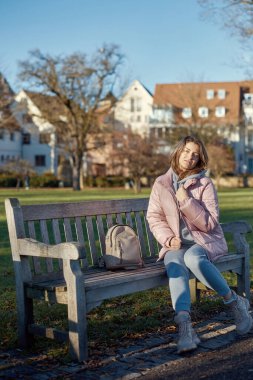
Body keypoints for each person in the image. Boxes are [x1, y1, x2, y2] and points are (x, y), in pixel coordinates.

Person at [147, 135, 252, 354]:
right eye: (186, 151)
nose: (189, 157)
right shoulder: (161, 183)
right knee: (175, 265)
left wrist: (186, 200)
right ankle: (185, 328)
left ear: (199, 159)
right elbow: (154, 217)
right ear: (178, 151)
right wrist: (168, 239)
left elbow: (210, 223)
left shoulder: (204, 183)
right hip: (175, 245)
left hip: (202, 241)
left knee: (192, 258)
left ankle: (234, 303)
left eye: (195, 154)